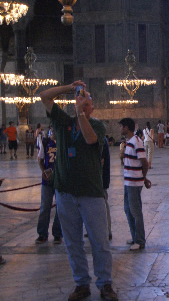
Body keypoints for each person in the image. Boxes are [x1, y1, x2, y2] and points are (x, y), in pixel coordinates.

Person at [39, 81, 118, 301]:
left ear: (92, 107)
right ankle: (81, 284)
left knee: (99, 242)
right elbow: (44, 95)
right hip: (65, 193)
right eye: (80, 97)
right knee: (73, 243)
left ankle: (105, 284)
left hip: (91, 194)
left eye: (87, 99)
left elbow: (90, 139)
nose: (83, 100)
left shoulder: (98, 126)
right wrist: (68, 88)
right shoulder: (63, 122)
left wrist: (80, 114)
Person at [119, 117, 150, 251]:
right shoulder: (129, 142)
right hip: (128, 181)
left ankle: (140, 240)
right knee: (128, 209)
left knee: (136, 211)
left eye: (121, 127)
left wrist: (143, 178)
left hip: (134, 182)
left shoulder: (136, 142)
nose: (120, 129)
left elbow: (144, 162)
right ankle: (135, 236)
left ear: (126, 128)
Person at [35, 128, 63, 245]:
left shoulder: (63, 142)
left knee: (60, 208)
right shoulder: (46, 142)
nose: (53, 133)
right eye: (51, 131)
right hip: (47, 181)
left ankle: (57, 234)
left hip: (60, 181)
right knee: (45, 207)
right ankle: (42, 234)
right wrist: (44, 171)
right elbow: (40, 159)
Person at [102, 137, 112, 240]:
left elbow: (101, 161)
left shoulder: (100, 140)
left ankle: (107, 230)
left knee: (103, 204)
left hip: (100, 180)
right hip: (99, 180)